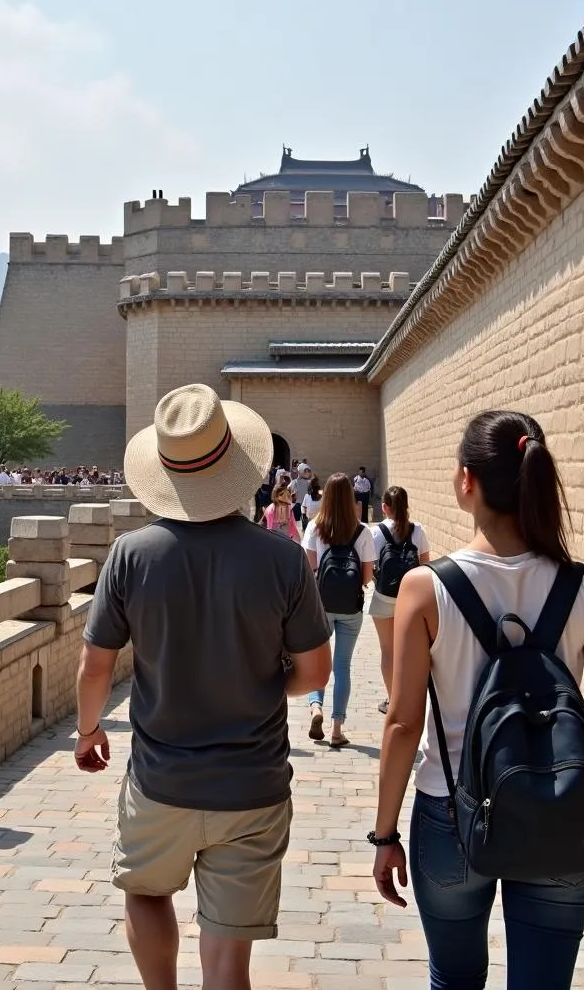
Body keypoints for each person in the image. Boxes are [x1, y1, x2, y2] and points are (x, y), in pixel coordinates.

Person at [74, 383, 332, 990]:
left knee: (144, 890)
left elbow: (95, 665)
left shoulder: (131, 556)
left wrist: (88, 731)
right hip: (252, 785)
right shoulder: (283, 559)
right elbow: (316, 673)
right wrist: (264, 684)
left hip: (161, 778)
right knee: (226, 961)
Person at [372, 410, 584, 989]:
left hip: (451, 812)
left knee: (454, 978)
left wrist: (385, 835)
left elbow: (404, 723)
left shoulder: (426, 587)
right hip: (563, 810)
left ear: (467, 481)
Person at [302, 473, 375, 747]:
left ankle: (315, 706)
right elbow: (367, 577)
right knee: (342, 666)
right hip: (350, 607)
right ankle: (336, 729)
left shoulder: (314, 528)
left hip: (321, 605)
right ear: (351, 498)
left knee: (319, 662)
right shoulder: (362, 531)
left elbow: (310, 569)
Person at [370, 486, 431, 715]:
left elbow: (372, 563)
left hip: (384, 596)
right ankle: (411, 698)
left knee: (388, 649)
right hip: (412, 597)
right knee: (411, 651)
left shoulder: (376, 533)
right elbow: (425, 565)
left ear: (385, 507)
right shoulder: (418, 530)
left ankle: (392, 699)